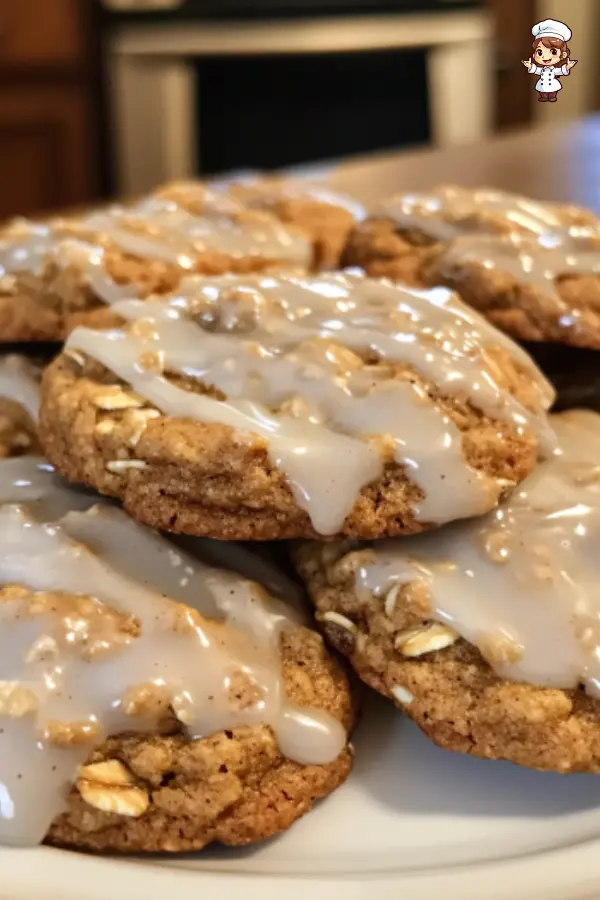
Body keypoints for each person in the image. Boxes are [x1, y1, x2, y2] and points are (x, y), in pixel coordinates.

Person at [522, 19, 578, 102]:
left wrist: (567, 67)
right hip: (542, 85)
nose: (546, 57)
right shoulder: (541, 69)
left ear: (563, 54)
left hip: (552, 85)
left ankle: (551, 96)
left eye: (553, 51)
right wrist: (530, 66)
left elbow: (560, 71)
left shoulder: (554, 70)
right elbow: (537, 70)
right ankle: (544, 96)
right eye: (540, 52)